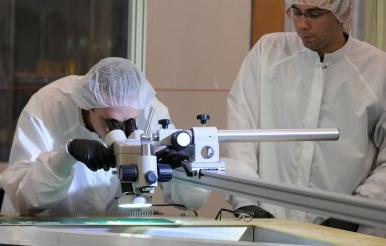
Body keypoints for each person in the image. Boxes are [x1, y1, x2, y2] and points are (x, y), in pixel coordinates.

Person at [225, 0, 386, 235]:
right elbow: (240, 133)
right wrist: (246, 202)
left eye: (314, 14)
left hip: (347, 232)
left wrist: (356, 210)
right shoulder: (267, 53)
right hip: (267, 224)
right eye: (296, 12)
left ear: (341, 13)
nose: (302, 24)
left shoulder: (376, 69)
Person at [0, 57, 210, 216]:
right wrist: (64, 157)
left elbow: (192, 200)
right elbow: (24, 200)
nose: (121, 131)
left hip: (121, 233)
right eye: (111, 122)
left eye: (130, 122)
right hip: (54, 233)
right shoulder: (47, 107)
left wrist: (180, 169)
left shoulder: (150, 109)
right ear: (88, 107)